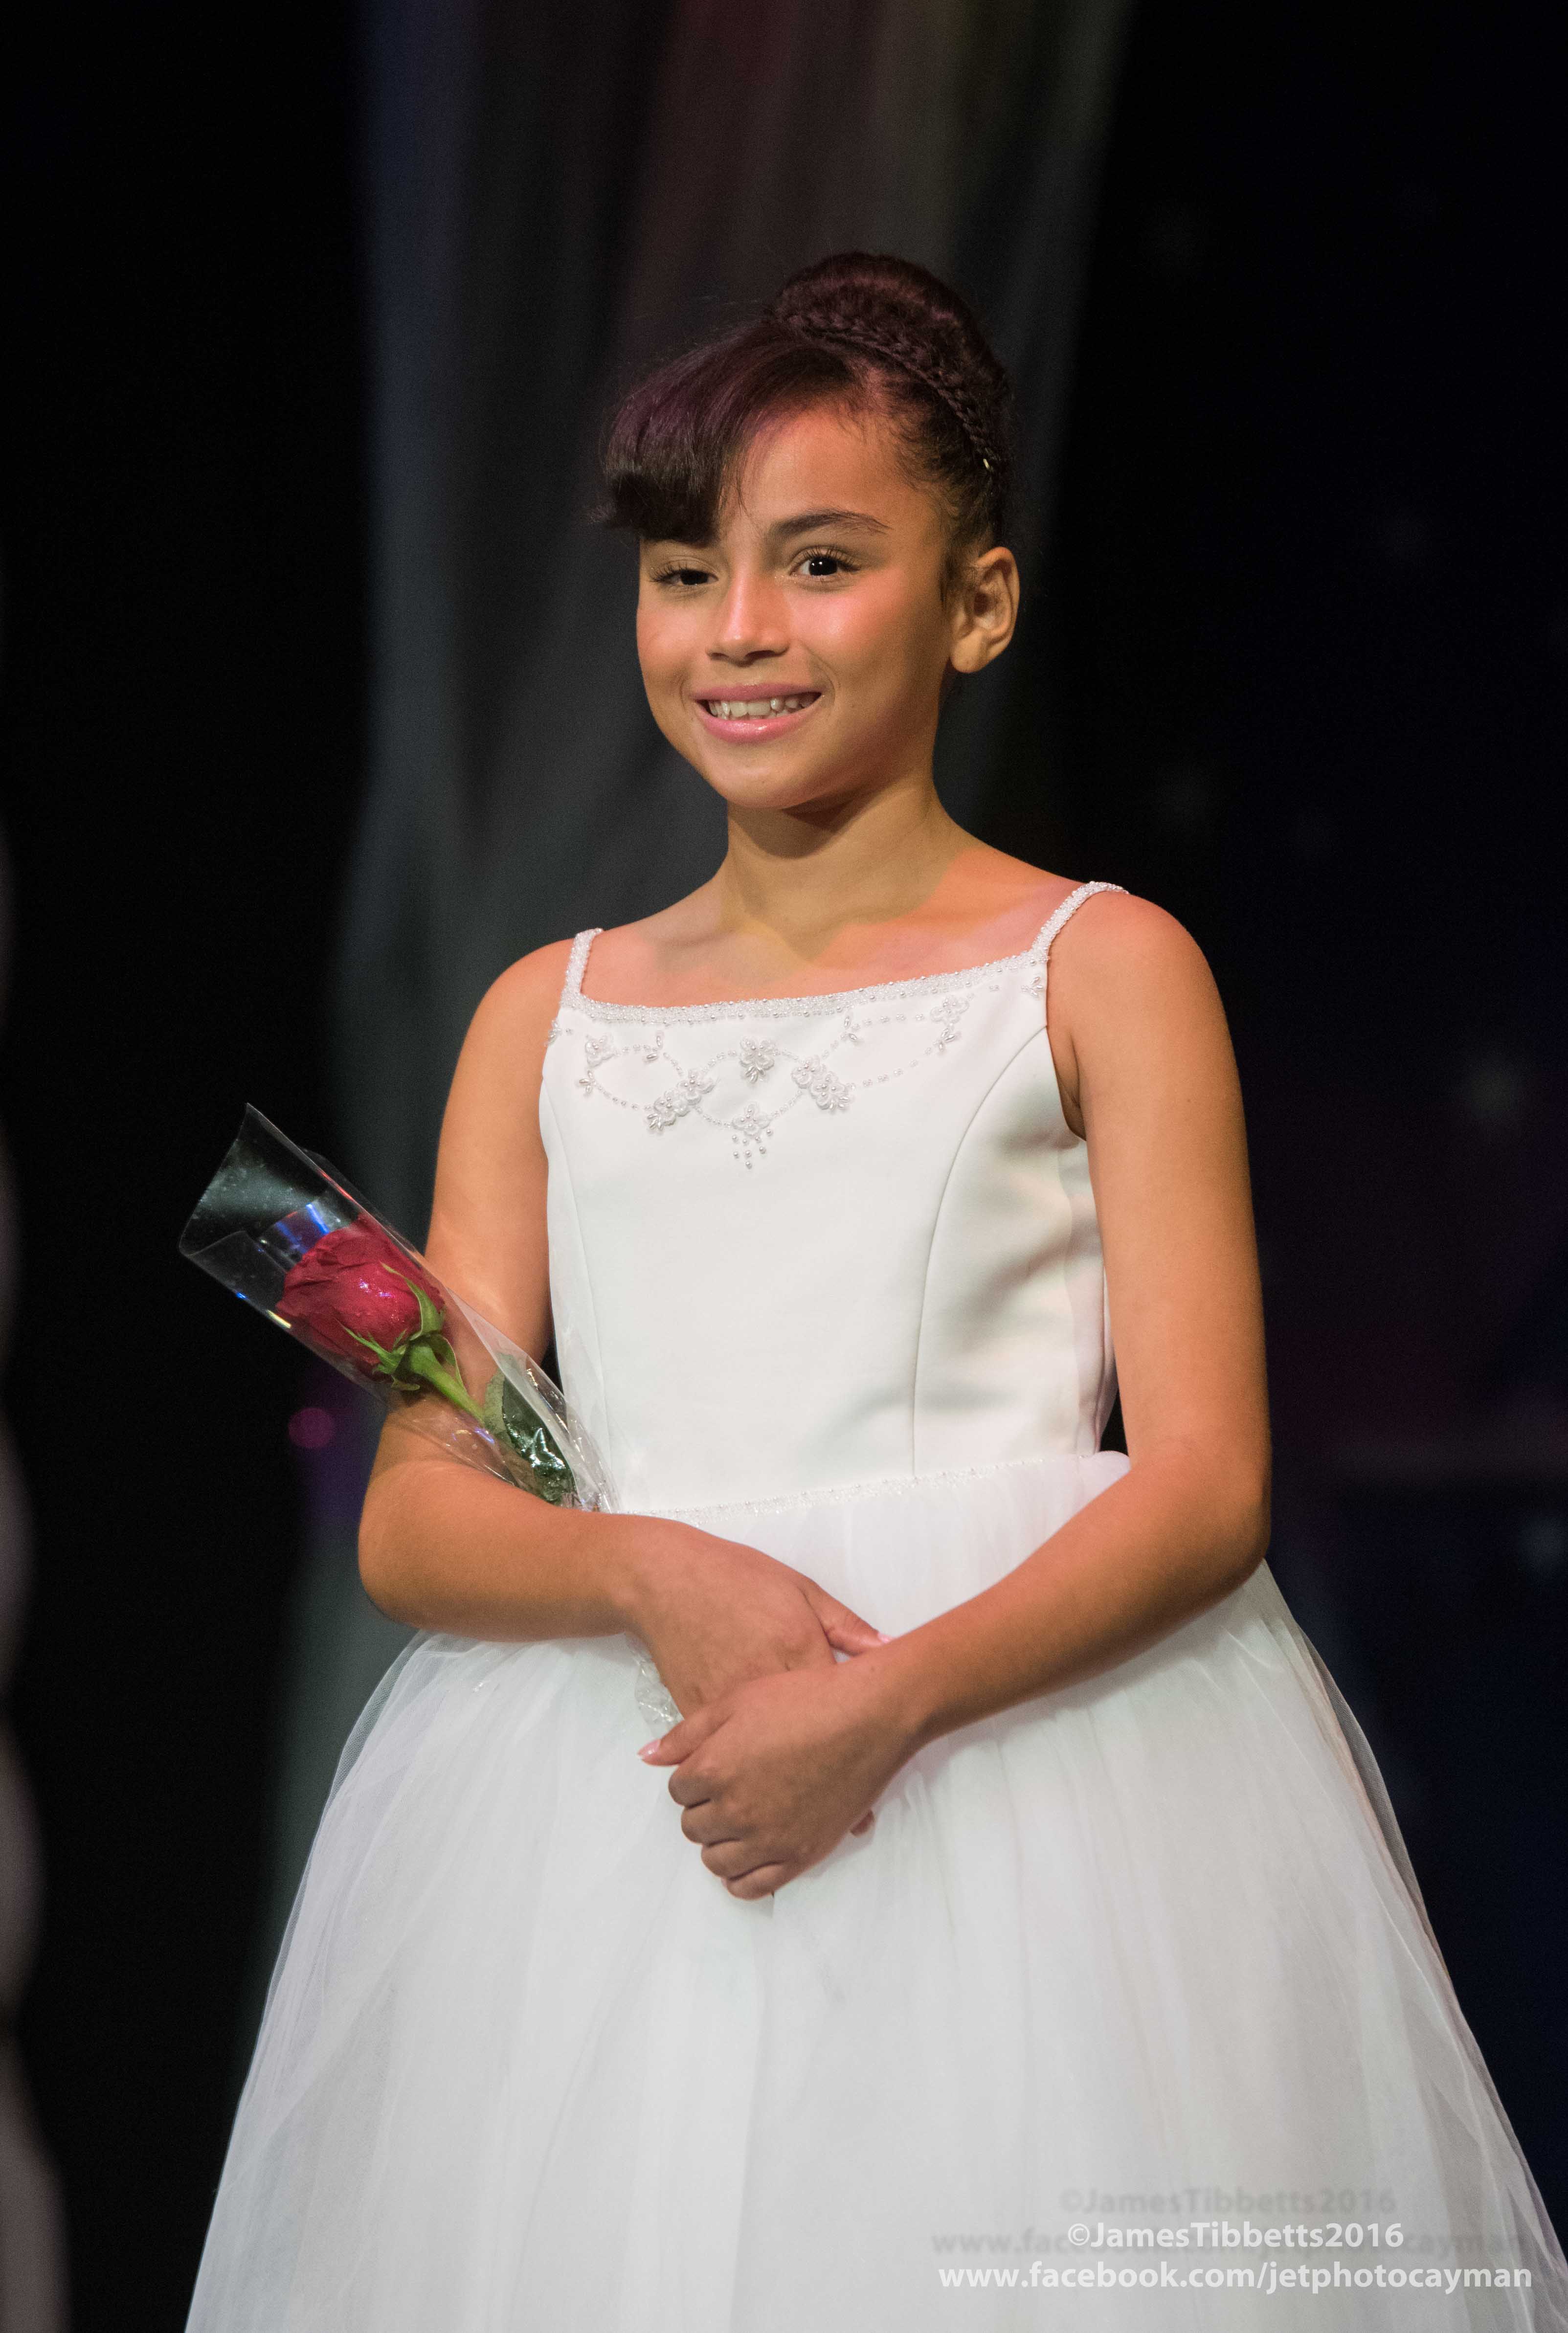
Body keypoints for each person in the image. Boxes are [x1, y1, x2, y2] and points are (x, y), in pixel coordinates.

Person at [185, 253, 1568, 2330]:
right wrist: (645, 1567)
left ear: (977, 602)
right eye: (683, 572)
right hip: (614, 1799)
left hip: (1020, 1765)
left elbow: (1205, 1481)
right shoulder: (545, 1014)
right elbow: (420, 1509)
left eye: (819, 563)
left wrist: (883, 1705)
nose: (737, 628)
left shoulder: (1098, 966)